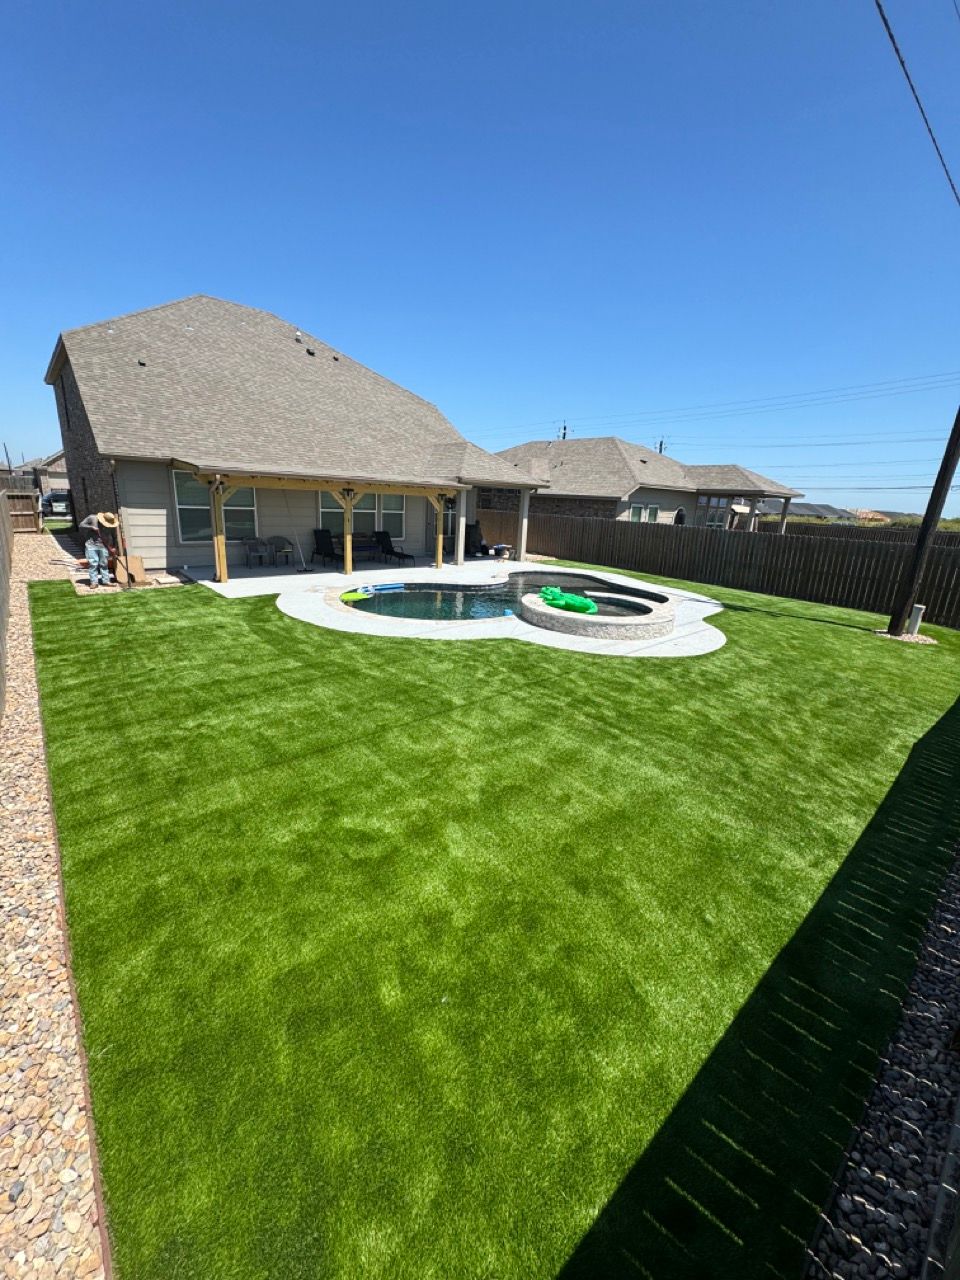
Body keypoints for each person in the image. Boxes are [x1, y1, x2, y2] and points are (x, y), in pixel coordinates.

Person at [78, 511, 118, 588]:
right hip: (91, 545)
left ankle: (106, 581)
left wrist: (114, 547)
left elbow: (114, 536)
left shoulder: (111, 524)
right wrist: (91, 527)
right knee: (93, 564)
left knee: (104, 564)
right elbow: (81, 525)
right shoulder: (92, 518)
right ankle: (94, 582)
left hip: (104, 546)